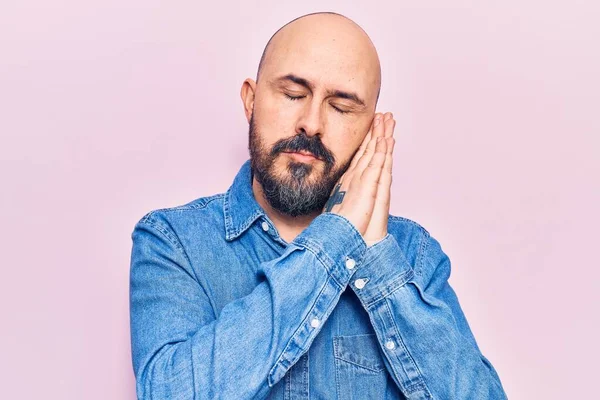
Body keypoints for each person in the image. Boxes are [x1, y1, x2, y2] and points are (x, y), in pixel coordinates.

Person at [129, 11, 508, 399]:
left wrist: (376, 255)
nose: (311, 123)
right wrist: (336, 238)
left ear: (369, 131)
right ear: (251, 100)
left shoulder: (414, 255)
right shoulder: (173, 242)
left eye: (341, 107)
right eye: (293, 94)